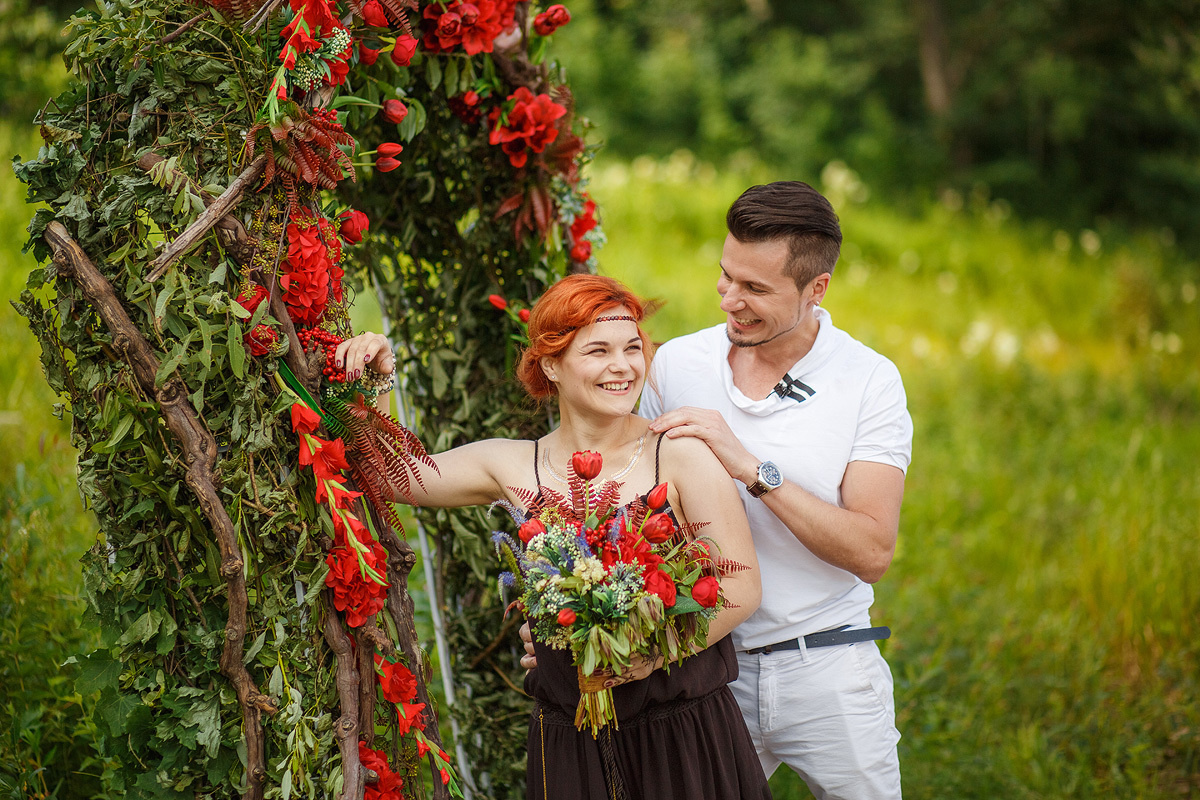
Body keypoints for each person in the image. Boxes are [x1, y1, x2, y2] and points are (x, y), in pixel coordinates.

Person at [338, 274, 773, 800]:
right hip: (569, 739)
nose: (623, 366)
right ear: (550, 364)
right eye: (598, 351)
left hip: (679, 733)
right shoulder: (512, 463)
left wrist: (650, 655)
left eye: (632, 348)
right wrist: (377, 378)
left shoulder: (679, 454)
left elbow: (742, 586)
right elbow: (392, 477)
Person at [636, 181, 914, 799]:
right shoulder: (676, 364)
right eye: (726, 275)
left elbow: (871, 552)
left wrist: (751, 468)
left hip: (830, 669)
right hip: (709, 670)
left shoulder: (869, 381)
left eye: (756, 289)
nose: (729, 299)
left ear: (817, 289)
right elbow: (630, 499)